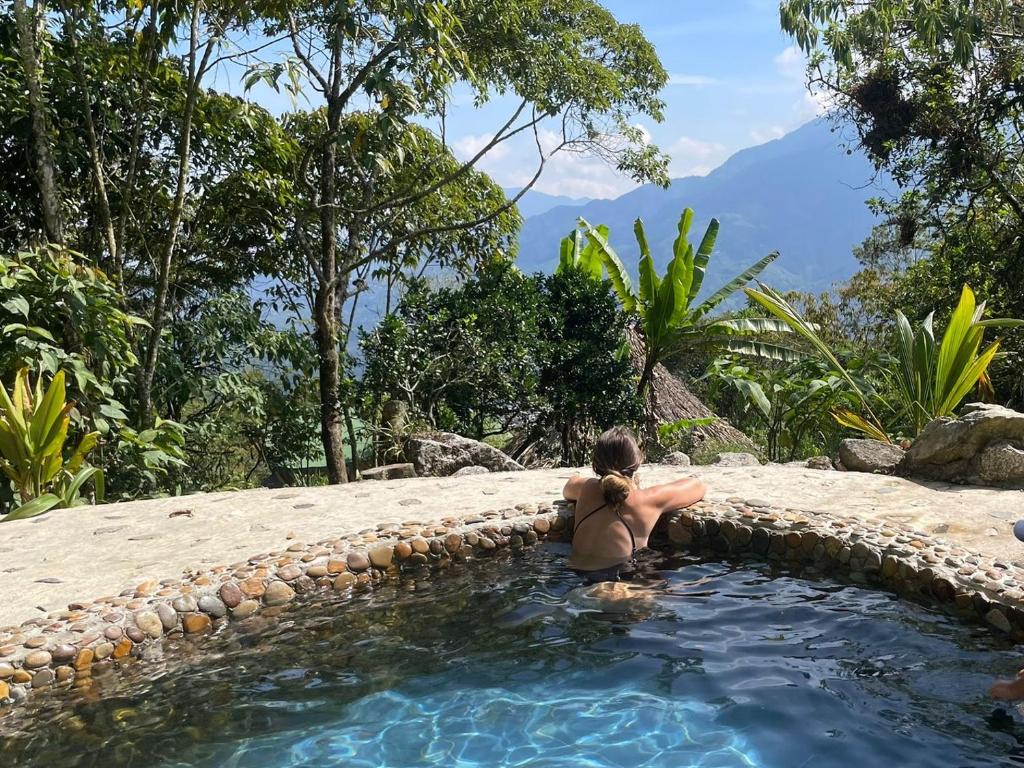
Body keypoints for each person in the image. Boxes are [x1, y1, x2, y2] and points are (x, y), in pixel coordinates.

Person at [562, 426, 706, 583]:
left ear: (595, 463)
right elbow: (698, 486)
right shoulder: (647, 499)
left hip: (576, 578)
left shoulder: (587, 488)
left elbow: (569, 487)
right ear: (637, 461)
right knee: (692, 584)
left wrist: (576, 475)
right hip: (621, 582)